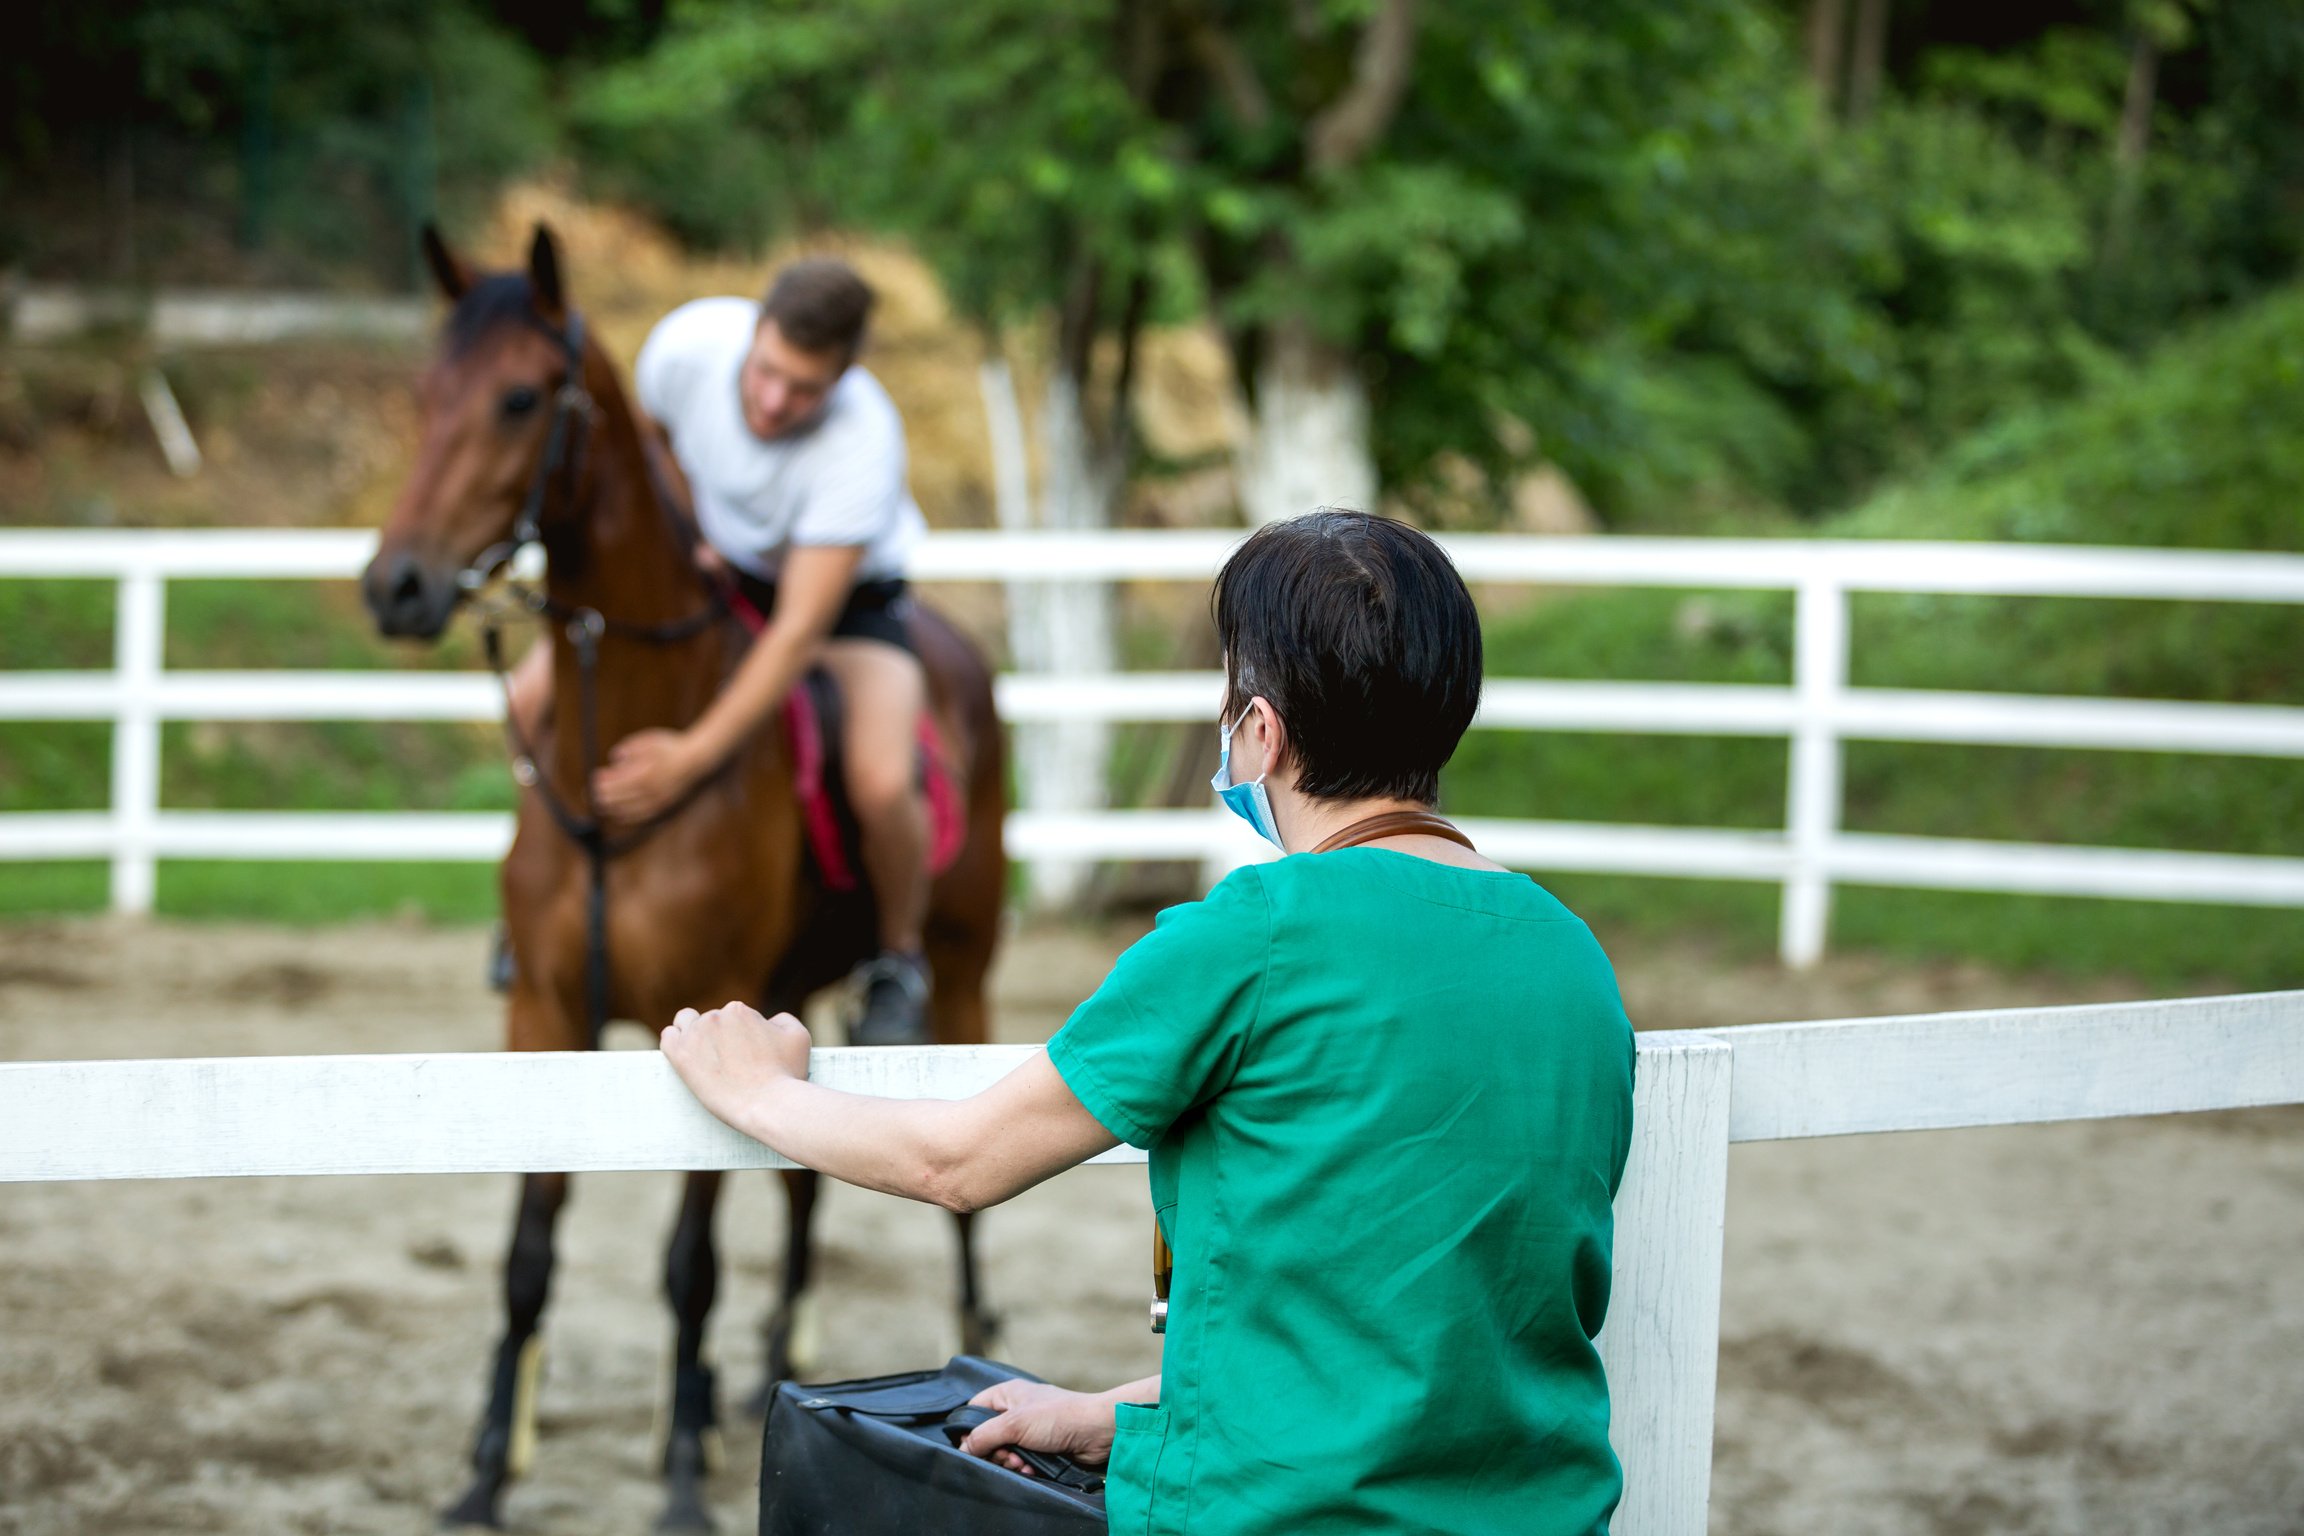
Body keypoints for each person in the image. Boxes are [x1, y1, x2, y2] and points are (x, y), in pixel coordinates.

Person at [662, 510, 1637, 1534]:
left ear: (1261, 731)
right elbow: (1424, 1327)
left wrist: (756, 1088)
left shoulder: (1254, 936)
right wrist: (1112, 1414)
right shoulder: (1572, 957)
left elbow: (955, 1164)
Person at [507, 258, 936, 1044]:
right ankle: (532, 913)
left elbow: (798, 629)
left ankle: (897, 959)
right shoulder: (687, 346)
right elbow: (649, 455)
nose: (774, 402)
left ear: (844, 378)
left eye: (803, 389)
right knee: (532, 697)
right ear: (754, 330)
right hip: (710, 571)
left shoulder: (862, 442)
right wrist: (689, 539)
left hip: (841, 606)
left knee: (880, 779)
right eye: (767, 371)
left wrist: (691, 758)